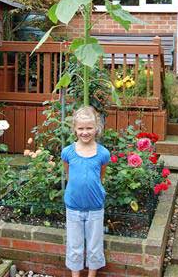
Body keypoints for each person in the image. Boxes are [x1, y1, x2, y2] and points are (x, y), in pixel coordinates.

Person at [61, 105, 110, 277]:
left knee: (94, 244)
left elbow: (100, 176)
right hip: (73, 207)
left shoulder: (103, 153)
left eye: (89, 128)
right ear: (74, 129)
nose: (85, 132)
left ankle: (92, 274)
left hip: (95, 207)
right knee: (74, 245)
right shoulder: (68, 152)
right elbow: (68, 173)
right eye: (81, 128)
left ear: (96, 128)